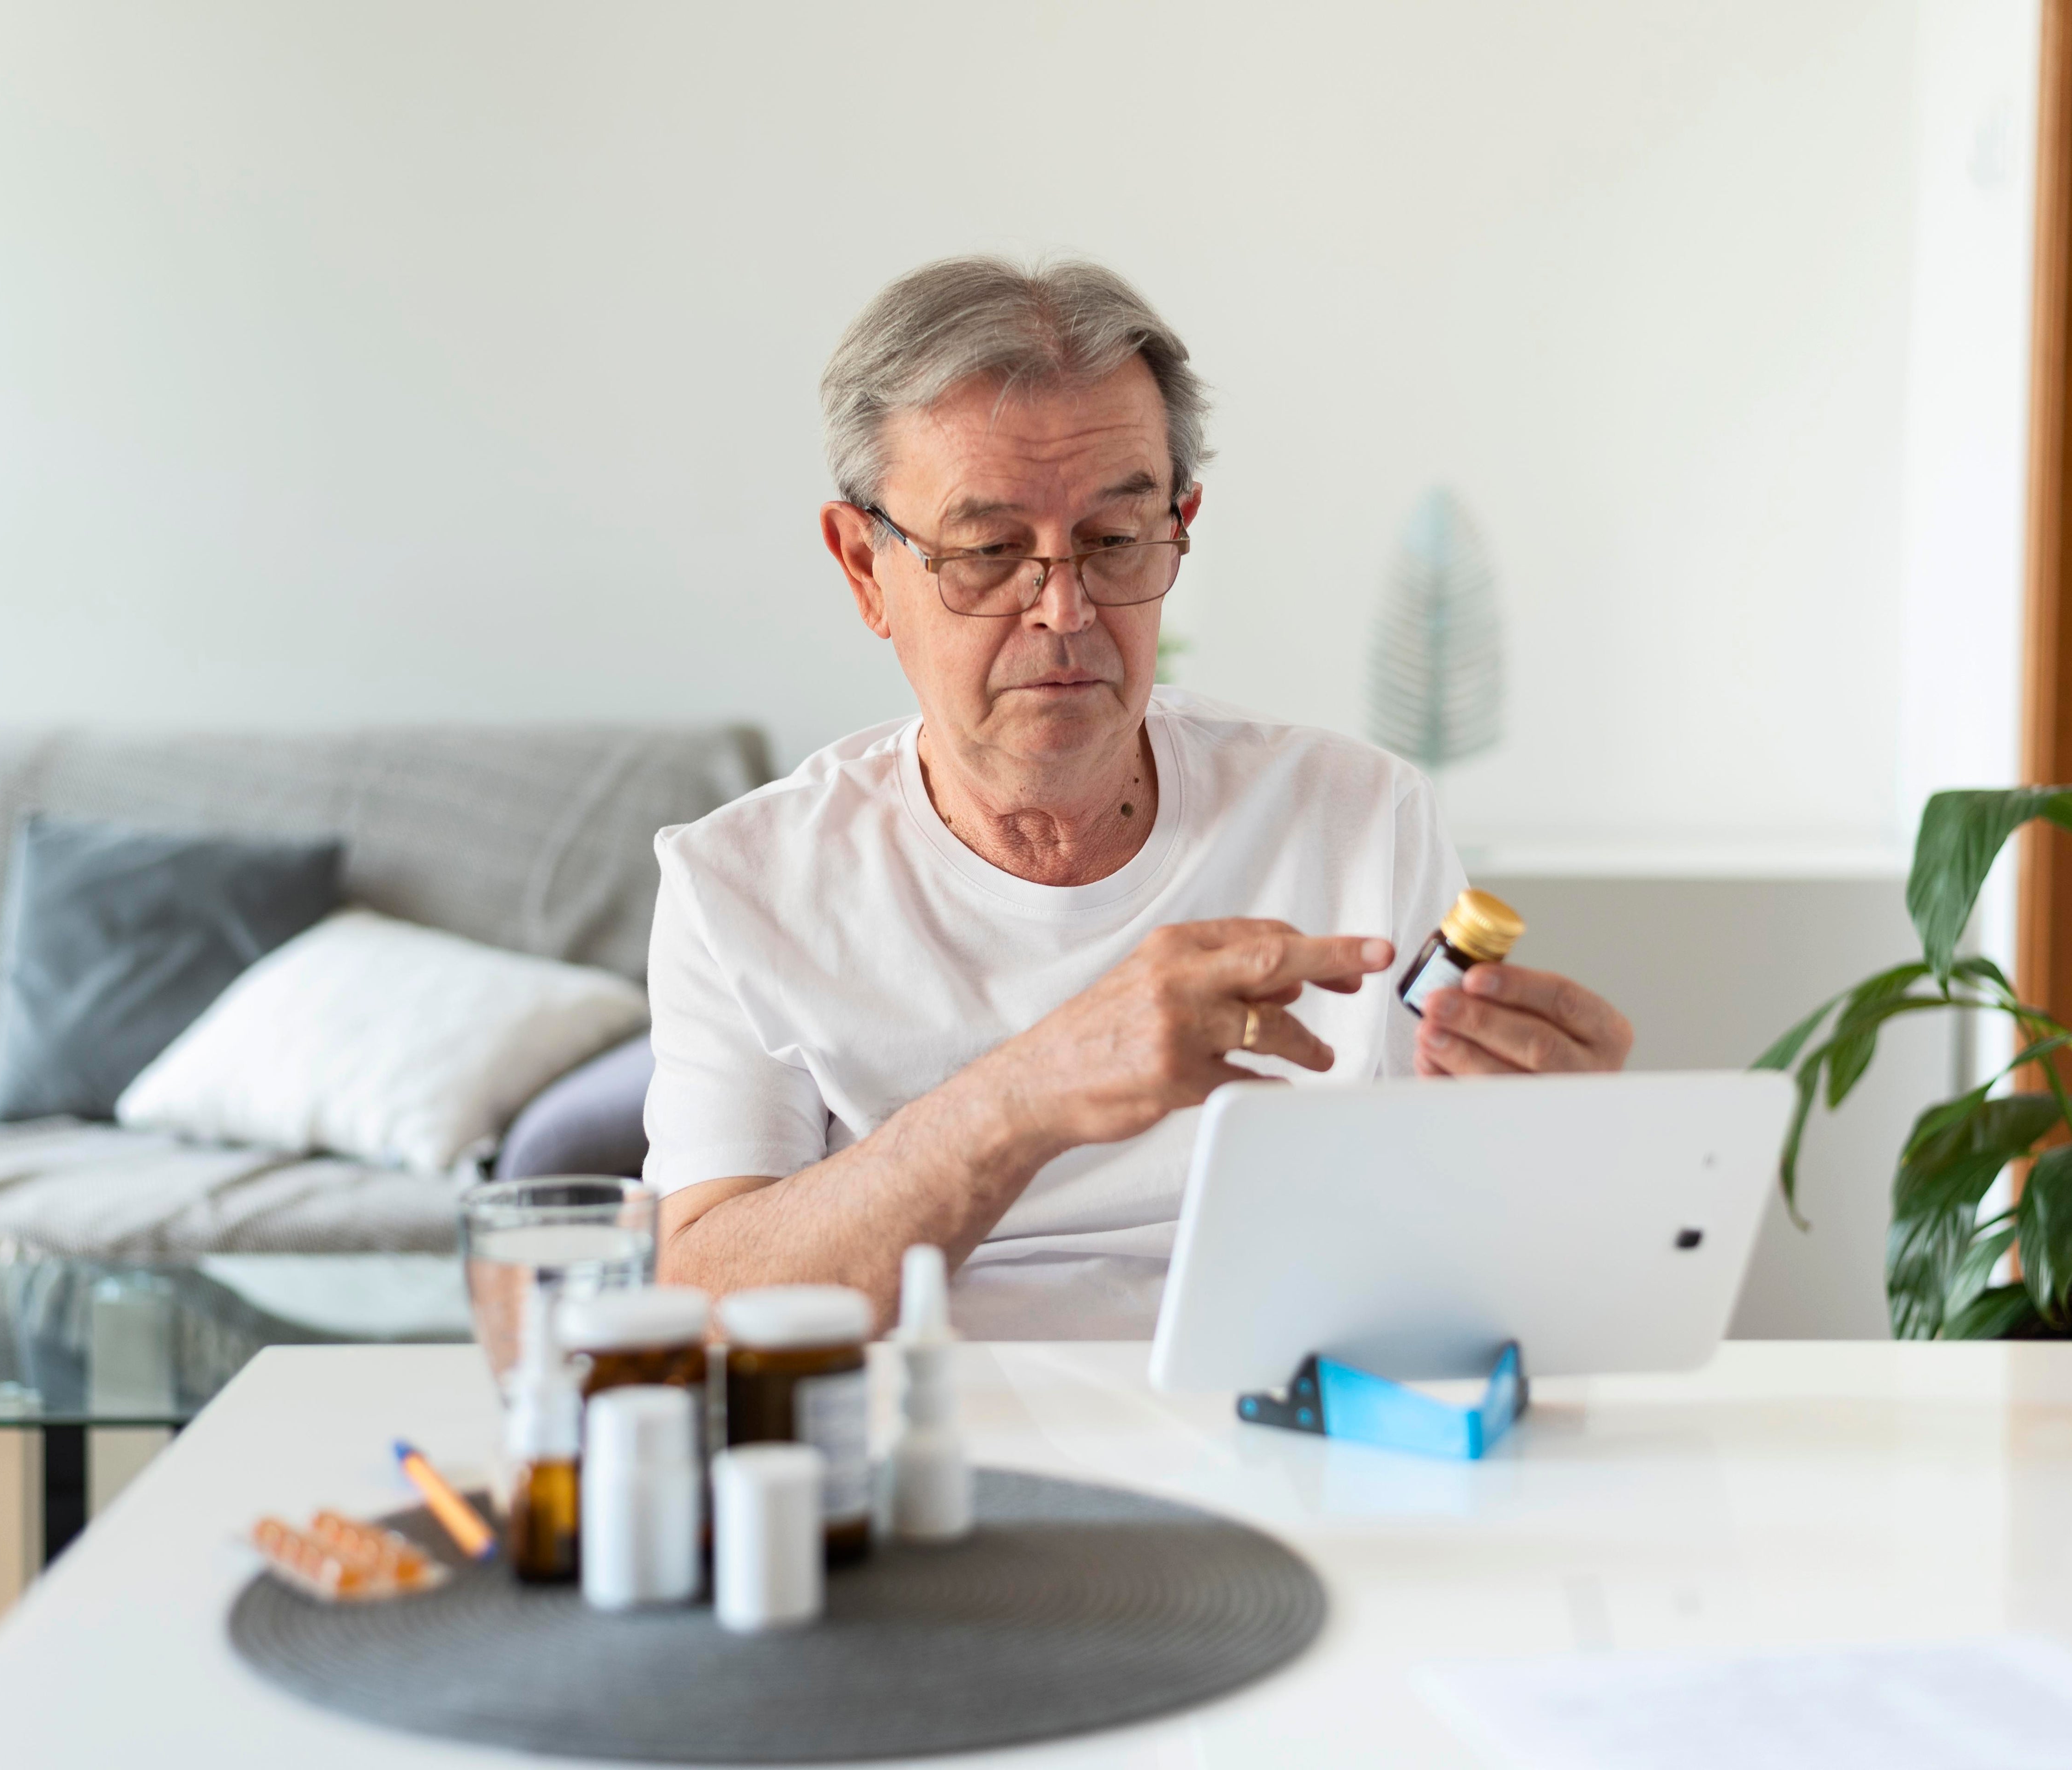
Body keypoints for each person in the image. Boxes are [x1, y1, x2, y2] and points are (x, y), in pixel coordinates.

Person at [644, 256, 1632, 1339]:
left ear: (1180, 524)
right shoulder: (740, 884)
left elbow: (1454, 1252)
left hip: (1284, 1426)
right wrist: (1027, 1091)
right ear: (864, 568)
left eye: (1115, 541)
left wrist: (1547, 1147)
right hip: (924, 1455)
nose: (1065, 609)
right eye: (988, 551)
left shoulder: (1355, 816)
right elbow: (696, 1304)